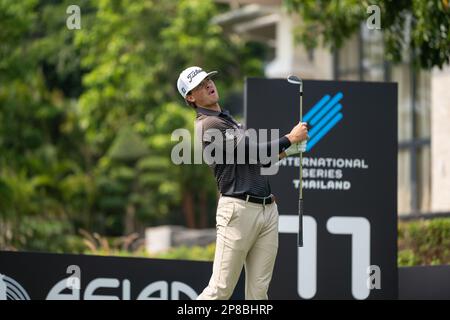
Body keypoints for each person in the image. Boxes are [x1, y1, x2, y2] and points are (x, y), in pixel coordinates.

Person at [176, 66, 308, 300]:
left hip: (267, 209)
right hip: (238, 211)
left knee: (258, 293)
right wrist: (289, 138)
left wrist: (288, 151)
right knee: (220, 289)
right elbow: (253, 152)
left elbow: (253, 161)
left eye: (207, 79)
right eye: (199, 85)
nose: (208, 84)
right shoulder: (208, 124)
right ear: (190, 97)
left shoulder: (227, 119)